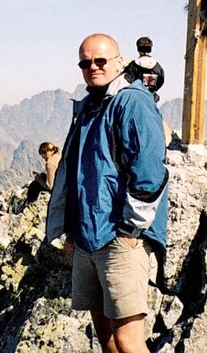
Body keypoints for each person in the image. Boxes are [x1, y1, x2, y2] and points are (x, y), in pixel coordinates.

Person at [46, 33, 168, 353]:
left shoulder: (132, 102)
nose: (93, 67)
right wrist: (72, 228)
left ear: (118, 61)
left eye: (100, 60)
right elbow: (77, 172)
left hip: (119, 239)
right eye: (85, 63)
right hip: (88, 237)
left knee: (128, 341)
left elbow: (150, 171)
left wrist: (130, 230)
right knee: (105, 335)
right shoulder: (89, 105)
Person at [123, 36, 165, 102]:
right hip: (151, 98)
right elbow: (161, 81)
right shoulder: (157, 66)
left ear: (138, 49)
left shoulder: (133, 65)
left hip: (135, 98)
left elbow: (128, 80)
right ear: (150, 49)